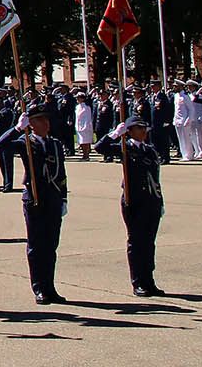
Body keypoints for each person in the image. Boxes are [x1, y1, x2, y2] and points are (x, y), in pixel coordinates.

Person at [0, 103, 69, 304]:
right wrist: (18, 128)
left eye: (46, 119)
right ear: (31, 123)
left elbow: (61, 174)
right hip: (35, 199)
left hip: (52, 198)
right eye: (40, 120)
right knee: (37, 246)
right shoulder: (25, 142)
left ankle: (50, 286)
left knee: (51, 245)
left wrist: (63, 198)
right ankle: (39, 288)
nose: (46, 123)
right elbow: (1, 145)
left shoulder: (54, 144)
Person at [94, 117, 165, 296]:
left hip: (151, 199)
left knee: (149, 243)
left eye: (144, 129)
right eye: (138, 129)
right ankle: (138, 282)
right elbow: (100, 147)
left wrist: (160, 200)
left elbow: (155, 176)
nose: (143, 132)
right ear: (130, 131)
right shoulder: (126, 148)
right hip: (134, 200)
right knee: (136, 242)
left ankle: (149, 280)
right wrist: (115, 134)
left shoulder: (150, 150)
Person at [74, 94, 95, 160]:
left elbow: (88, 118)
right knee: (81, 142)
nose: (77, 99)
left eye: (79, 98)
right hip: (79, 126)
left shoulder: (86, 107)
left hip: (85, 127)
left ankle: (86, 155)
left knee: (85, 142)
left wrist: (86, 126)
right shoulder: (77, 107)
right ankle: (84, 154)